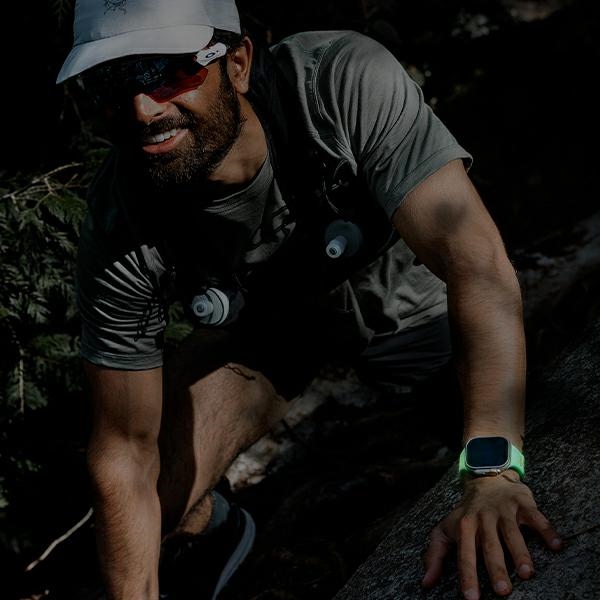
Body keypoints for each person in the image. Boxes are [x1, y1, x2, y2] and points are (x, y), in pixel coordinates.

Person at [56, 1, 563, 599]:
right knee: (148, 501)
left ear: (237, 64)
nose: (144, 109)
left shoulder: (335, 81)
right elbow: (124, 449)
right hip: (265, 336)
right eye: (113, 84)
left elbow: (476, 266)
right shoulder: (119, 218)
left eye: (172, 72)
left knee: (529, 452)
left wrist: (491, 469)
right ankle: (217, 534)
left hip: (404, 298)